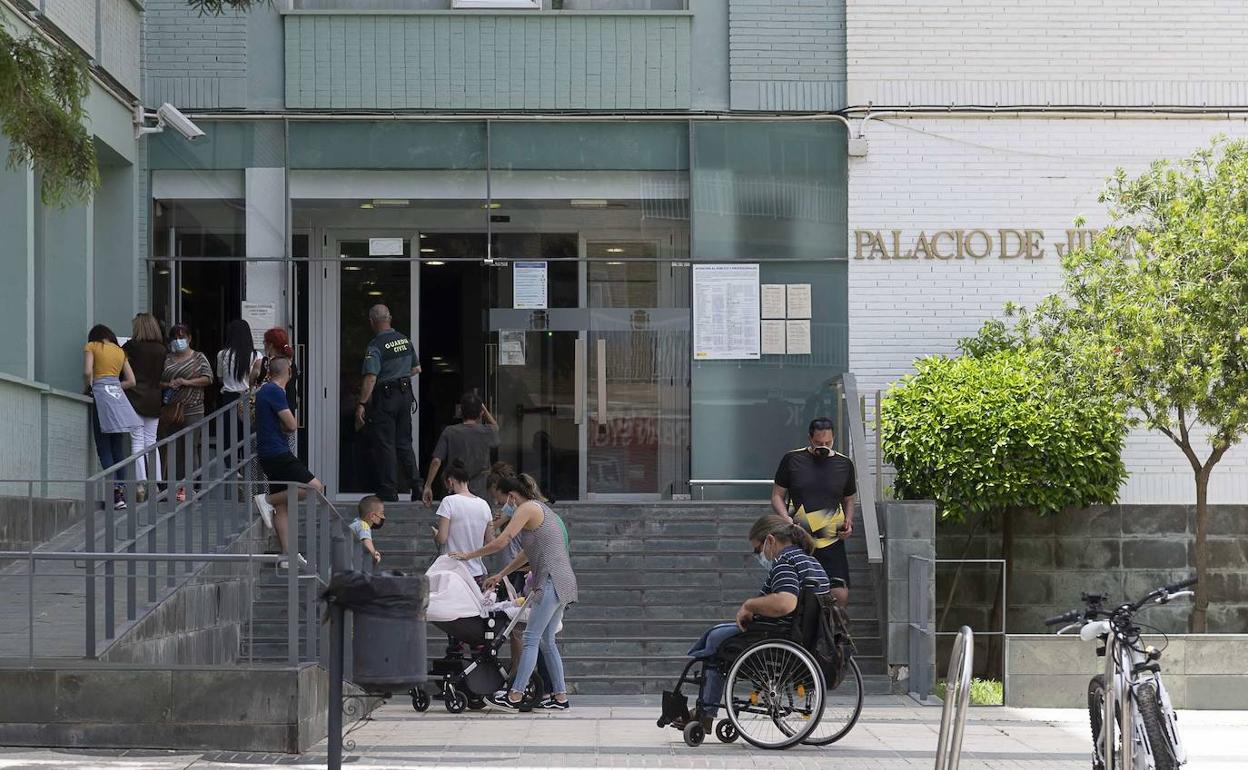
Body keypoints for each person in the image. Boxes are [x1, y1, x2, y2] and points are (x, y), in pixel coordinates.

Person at [681, 515, 832, 731]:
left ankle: (705, 711)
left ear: (770, 540)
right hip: (807, 636)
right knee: (718, 634)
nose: (759, 555)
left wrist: (750, 605)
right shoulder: (811, 562)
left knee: (715, 639)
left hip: (779, 635)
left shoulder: (785, 563)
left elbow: (785, 603)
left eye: (757, 549)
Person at [452, 473, 577, 712]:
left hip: (550, 581)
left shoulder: (527, 508)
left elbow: (503, 541)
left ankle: (515, 695)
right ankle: (561, 697)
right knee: (547, 641)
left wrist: (468, 555)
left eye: (505, 501)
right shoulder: (541, 510)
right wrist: (501, 574)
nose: (504, 507)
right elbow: (525, 554)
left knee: (530, 639)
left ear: (512, 496)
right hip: (563, 581)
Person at [771, 417, 856, 608]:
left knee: (839, 593)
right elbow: (777, 495)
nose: (823, 447)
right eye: (819, 443)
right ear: (810, 439)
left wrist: (849, 521)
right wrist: (786, 520)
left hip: (831, 536)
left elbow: (849, 498)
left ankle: (834, 633)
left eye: (828, 443)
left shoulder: (844, 464)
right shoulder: (792, 459)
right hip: (800, 535)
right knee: (799, 591)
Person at [252, 357, 324, 567]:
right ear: (288, 372)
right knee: (314, 487)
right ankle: (266, 500)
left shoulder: (263, 390)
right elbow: (292, 425)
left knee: (283, 505)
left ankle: (287, 555)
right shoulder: (275, 391)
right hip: (278, 452)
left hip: (267, 452)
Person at [353, 305, 420, 502]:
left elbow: (371, 378)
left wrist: (361, 404)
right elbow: (416, 368)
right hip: (405, 394)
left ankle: (388, 490)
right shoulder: (405, 340)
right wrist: (400, 374)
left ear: (372, 321)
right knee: (405, 443)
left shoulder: (375, 345)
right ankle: (416, 486)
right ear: (389, 318)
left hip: (387, 396)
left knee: (385, 444)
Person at [84, 325, 142, 509]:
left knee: (104, 448)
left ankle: (114, 495)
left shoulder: (92, 346)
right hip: (118, 399)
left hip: (101, 397)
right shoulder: (119, 351)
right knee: (118, 449)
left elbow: (87, 372)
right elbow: (132, 381)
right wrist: (114, 386)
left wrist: (90, 387)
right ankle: (120, 492)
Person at [161, 324, 213, 500]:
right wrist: (169, 384)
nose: (178, 341)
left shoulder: (199, 358)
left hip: (193, 408)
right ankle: (173, 487)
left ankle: (190, 487)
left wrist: (186, 382)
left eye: (182, 337)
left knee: (190, 447)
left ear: (189, 338)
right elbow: (158, 381)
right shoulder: (167, 359)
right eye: (175, 337)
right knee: (173, 448)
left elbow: (208, 378)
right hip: (171, 410)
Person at [422, 391, 500, 506]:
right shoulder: (486, 431)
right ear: (481, 413)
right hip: (481, 492)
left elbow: (436, 460)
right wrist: (483, 408)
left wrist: (428, 485)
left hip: (456, 489)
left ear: (460, 411)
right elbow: (495, 427)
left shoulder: (450, 431)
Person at [123, 314, 168, 490]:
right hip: (154, 397)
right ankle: (155, 483)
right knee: (151, 441)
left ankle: (141, 484)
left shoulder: (131, 347)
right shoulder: (162, 350)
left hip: (134, 397)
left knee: (137, 441)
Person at [434, 460, 494, 581]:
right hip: (476, 572)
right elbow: (491, 541)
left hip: (453, 571)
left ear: (450, 481)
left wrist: (435, 534)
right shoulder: (484, 505)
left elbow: (442, 538)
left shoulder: (448, 502)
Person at [216, 319, 259, 466]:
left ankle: (231, 472)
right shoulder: (256, 355)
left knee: (229, 438)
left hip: (229, 399)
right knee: (247, 437)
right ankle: (247, 470)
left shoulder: (222, 354)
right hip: (249, 398)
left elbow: (220, 379)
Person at [350, 495, 385, 566]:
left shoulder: (356, 523)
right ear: (372, 516)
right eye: (381, 513)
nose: (383, 517)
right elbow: (366, 541)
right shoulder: (364, 525)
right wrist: (374, 554)